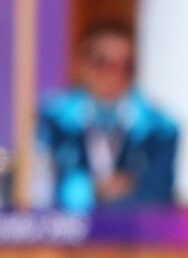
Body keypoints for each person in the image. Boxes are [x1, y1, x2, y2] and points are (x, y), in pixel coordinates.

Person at [35, 19, 179, 210]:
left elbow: (157, 198)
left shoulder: (160, 128)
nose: (115, 74)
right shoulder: (52, 119)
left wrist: (80, 188)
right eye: (103, 63)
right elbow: (41, 191)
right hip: (65, 228)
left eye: (126, 66)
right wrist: (94, 189)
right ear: (82, 64)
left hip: (133, 229)